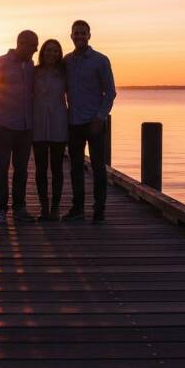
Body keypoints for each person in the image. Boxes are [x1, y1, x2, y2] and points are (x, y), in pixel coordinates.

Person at [0, 30, 39, 223]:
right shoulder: (0, 63)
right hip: (4, 124)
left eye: (36, 46)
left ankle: (19, 208)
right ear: (21, 43)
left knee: (21, 169)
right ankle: (1, 210)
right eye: (32, 45)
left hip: (26, 126)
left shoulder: (31, 66)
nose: (35, 49)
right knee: (2, 168)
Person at [63, 20, 116, 223]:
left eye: (83, 33)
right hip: (74, 122)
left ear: (89, 36)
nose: (79, 37)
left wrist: (100, 117)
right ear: (71, 36)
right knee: (75, 167)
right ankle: (77, 208)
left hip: (94, 123)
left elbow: (110, 92)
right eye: (76, 33)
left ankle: (99, 209)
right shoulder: (67, 61)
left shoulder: (100, 61)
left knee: (98, 167)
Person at [32, 39, 68, 221]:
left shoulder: (64, 73)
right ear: (43, 52)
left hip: (58, 124)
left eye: (55, 51)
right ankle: (43, 207)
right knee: (40, 169)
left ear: (59, 53)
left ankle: (55, 208)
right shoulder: (34, 72)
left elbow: (74, 94)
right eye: (48, 50)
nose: (51, 53)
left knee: (57, 169)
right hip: (38, 124)